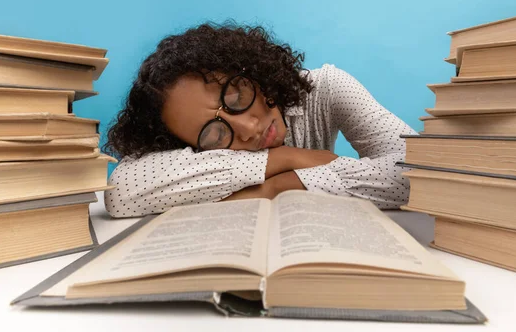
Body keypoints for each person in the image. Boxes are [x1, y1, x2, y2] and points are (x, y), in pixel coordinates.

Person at [103, 23, 416, 218]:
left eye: (236, 98)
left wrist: (281, 186)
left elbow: (421, 174)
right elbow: (120, 192)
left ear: (249, 69)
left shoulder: (327, 88)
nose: (248, 129)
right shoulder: (193, 147)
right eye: (213, 136)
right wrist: (287, 157)